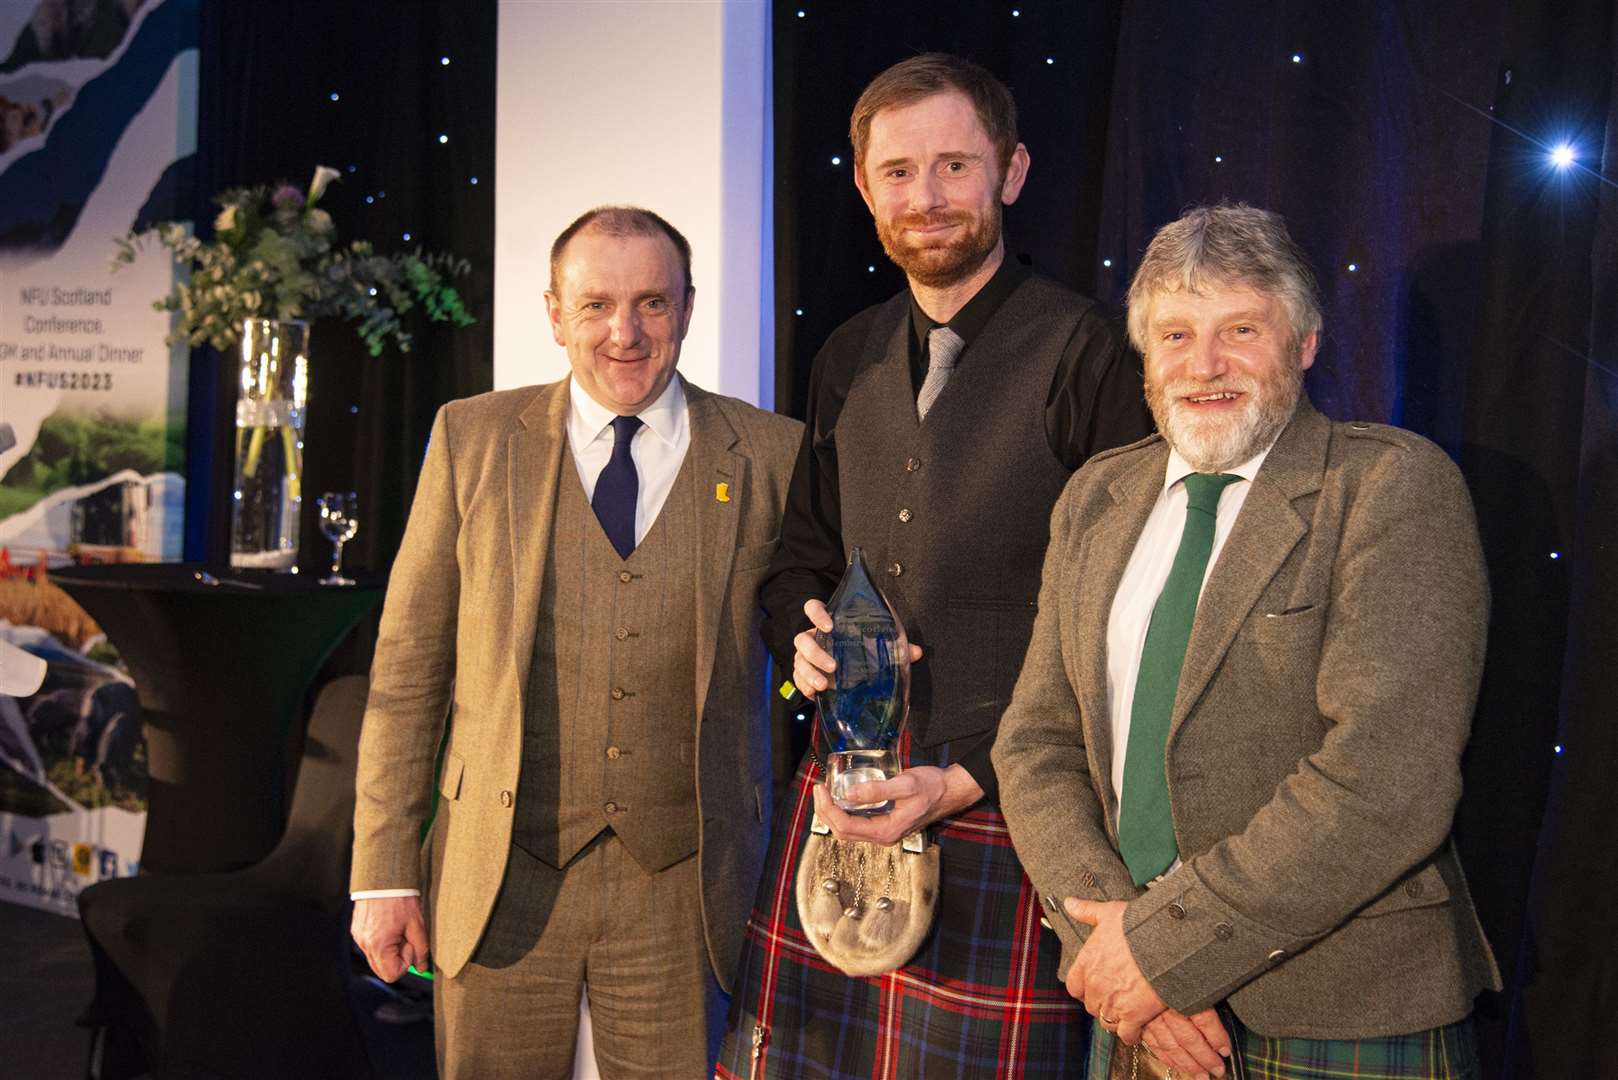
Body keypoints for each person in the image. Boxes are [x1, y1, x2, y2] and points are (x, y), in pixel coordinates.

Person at [993, 204, 1502, 1079]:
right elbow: (1035, 742)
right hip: (1133, 1006)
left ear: (1304, 341)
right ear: (1145, 354)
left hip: (1341, 1010)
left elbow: (1388, 779)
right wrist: (1109, 943)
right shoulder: (1093, 498)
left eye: (1240, 329)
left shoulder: (1388, 488)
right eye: (1176, 335)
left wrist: (1157, 951)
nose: (1206, 365)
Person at [717, 54, 1152, 1078]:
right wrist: (800, 632)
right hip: (849, 795)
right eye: (900, 172)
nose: (927, 198)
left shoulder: (1091, 353)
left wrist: (971, 774)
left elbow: (1124, 615)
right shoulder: (844, 355)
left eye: (955, 165)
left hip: (1012, 807)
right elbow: (800, 557)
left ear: (1012, 171)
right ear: (865, 187)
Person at [349, 206, 802, 1078]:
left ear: (689, 308)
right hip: (500, 875)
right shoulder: (470, 439)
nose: (623, 333)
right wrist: (383, 874)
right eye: (595, 305)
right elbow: (408, 673)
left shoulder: (773, 456)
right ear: (554, 313)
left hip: (686, 888)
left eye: (652, 305)